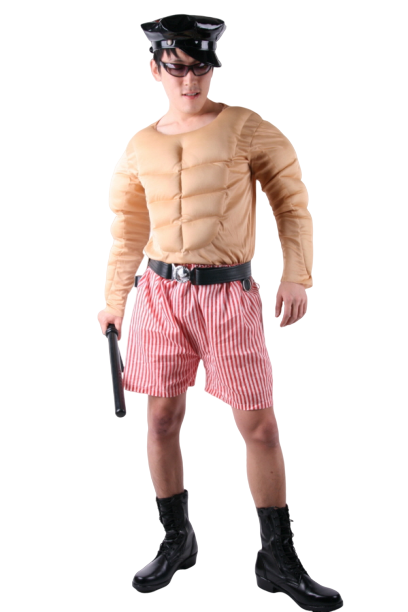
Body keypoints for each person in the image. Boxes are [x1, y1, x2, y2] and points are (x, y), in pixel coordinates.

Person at [97, 13, 343, 609]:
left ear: (213, 69)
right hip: (160, 296)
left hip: (228, 295)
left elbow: (292, 204)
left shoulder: (247, 127)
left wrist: (297, 275)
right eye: (176, 68)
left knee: (259, 425)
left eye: (200, 68)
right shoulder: (140, 145)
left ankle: (277, 557)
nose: (189, 80)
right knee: (161, 421)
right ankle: (176, 539)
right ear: (155, 70)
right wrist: (113, 300)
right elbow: (127, 228)